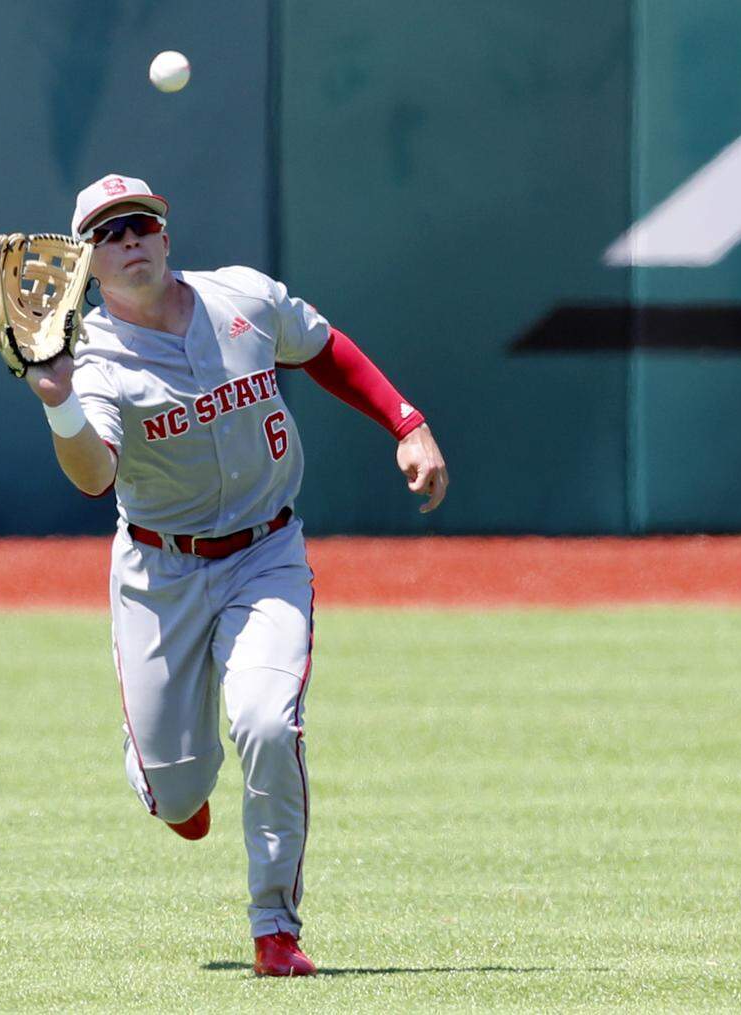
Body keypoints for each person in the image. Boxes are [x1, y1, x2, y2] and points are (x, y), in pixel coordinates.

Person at [25, 173, 448, 977]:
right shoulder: (97, 361)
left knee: (266, 721)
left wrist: (407, 422)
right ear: (86, 263)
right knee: (178, 794)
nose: (131, 241)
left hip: (266, 553)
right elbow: (92, 475)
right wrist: (59, 404)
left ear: (166, 234)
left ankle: (274, 931)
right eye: (110, 233)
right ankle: (169, 778)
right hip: (161, 572)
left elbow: (323, 347)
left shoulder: (240, 299)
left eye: (141, 223)